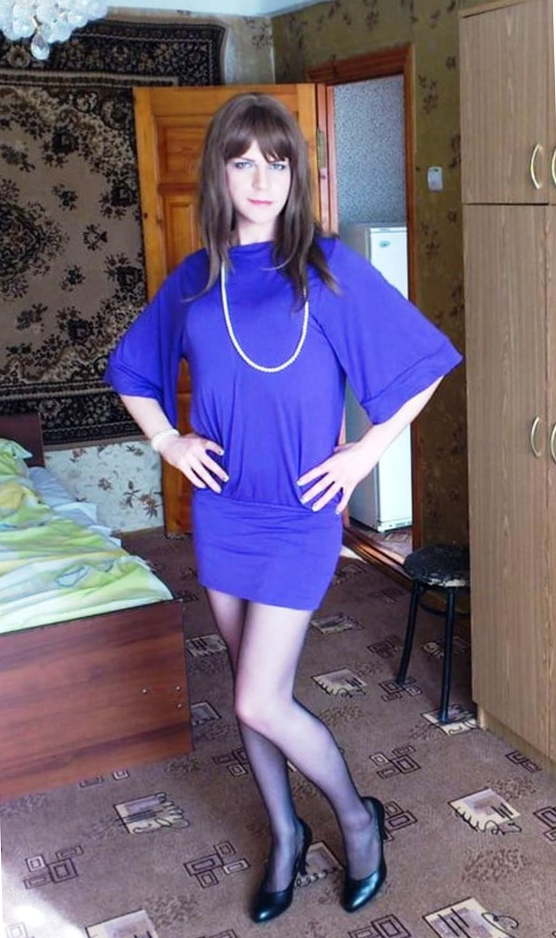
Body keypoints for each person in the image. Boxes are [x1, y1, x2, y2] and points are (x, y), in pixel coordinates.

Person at [104, 92, 462, 922]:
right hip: (224, 509)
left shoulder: (327, 267)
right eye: (243, 162)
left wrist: (365, 451)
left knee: (257, 698)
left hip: (300, 513)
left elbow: (426, 364)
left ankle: (357, 819)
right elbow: (132, 370)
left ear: (297, 173)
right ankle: (285, 833)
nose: (261, 179)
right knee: (247, 686)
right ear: (220, 173)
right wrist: (169, 442)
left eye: (277, 162)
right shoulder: (197, 279)